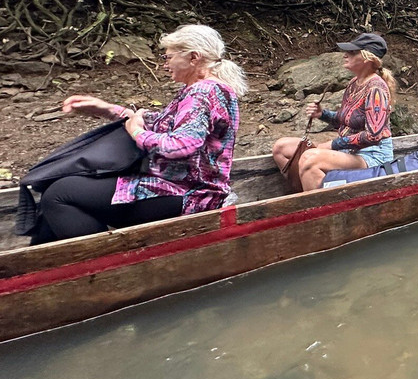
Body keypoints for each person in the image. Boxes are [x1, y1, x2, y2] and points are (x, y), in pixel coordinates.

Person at [35, 24, 246, 243]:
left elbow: (182, 144)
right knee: (66, 189)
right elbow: (162, 123)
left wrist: (136, 133)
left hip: (187, 195)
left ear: (193, 58)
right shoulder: (209, 89)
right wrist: (110, 110)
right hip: (186, 191)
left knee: (59, 195)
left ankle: (104, 266)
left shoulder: (203, 91)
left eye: (169, 57)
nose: (165, 64)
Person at [272, 32, 395, 191]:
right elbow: (347, 119)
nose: (345, 55)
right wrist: (322, 114)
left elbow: (374, 135)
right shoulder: (354, 83)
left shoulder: (376, 89)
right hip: (347, 151)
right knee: (281, 148)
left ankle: (318, 210)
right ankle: (304, 194)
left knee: (310, 158)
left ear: (367, 58)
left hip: (371, 156)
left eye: (352, 52)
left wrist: (332, 144)